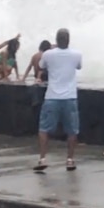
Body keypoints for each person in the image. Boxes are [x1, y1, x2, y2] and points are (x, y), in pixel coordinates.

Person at [34, 28, 82, 172]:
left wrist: (52, 50)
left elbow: (41, 66)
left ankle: (42, 158)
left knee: (44, 128)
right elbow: (79, 67)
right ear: (68, 40)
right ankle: (70, 160)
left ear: (56, 40)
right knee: (72, 130)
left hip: (52, 96)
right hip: (70, 97)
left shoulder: (48, 54)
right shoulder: (76, 54)